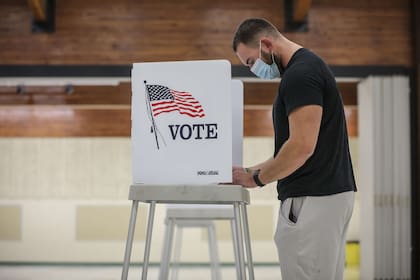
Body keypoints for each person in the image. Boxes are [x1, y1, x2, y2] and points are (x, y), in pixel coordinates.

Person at [231, 18, 357, 280]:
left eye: (251, 62)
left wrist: (257, 179)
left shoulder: (300, 75)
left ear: (266, 44)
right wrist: (247, 172)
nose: (253, 70)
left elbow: (301, 148)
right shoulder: (308, 68)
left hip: (312, 200)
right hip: (327, 198)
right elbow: (292, 149)